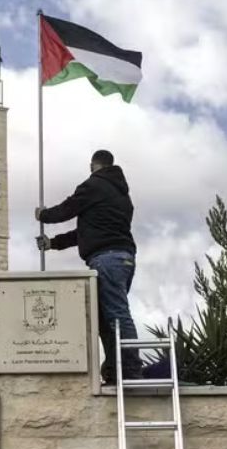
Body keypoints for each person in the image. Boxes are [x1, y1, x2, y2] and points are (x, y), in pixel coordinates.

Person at [35, 149, 157, 383]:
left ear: (93, 165)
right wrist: (54, 243)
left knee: (117, 315)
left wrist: (43, 215)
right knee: (105, 318)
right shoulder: (122, 196)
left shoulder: (94, 185)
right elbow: (89, 230)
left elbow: (67, 209)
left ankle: (131, 370)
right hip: (123, 259)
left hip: (107, 260)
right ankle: (115, 370)